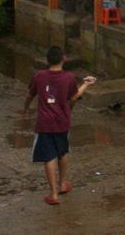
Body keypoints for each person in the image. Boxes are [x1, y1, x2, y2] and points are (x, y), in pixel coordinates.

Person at [22, 46, 97, 205]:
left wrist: (26, 108)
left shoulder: (39, 76)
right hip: (62, 121)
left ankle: (53, 194)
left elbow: (30, 95)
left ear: (47, 60)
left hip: (45, 123)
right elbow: (73, 98)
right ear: (64, 58)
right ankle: (63, 184)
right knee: (62, 151)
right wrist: (85, 85)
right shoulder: (69, 77)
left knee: (49, 156)